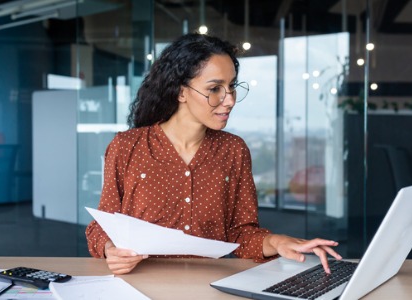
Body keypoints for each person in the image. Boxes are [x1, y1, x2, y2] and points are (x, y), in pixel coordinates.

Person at [85, 33, 341, 275]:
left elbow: (241, 236)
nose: (229, 99)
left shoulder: (233, 150)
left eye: (231, 86)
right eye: (215, 88)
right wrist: (110, 249)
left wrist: (278, 242)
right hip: (137, 284)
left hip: (209, 285)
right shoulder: (127, 146)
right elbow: (102, 227)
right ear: (181, 91)